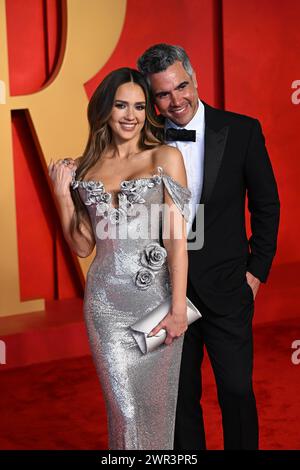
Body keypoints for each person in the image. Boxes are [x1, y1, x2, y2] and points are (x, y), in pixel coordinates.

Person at [137, 44, 280, 450]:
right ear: (152, 97)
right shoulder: (144, 142)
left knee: (236, 391)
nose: (176, 100)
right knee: (180, 401)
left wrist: (256, 272)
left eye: (182, 86)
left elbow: (267, 205)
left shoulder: (242, 130)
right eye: (163, 93)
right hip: (164, 293)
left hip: (228, 286)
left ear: (195, 79)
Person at [48, 67, 192, 450]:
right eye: (121, 105)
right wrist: (63, 197)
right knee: (124, 410)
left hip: (157, 301)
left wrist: (178, 308)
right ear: (105, 110)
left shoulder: (166, 157)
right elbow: (82, 246)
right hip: (106, 305)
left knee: (156, 409)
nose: (131, 115)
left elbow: (177, 239)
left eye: (140, 106)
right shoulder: (87, 168)